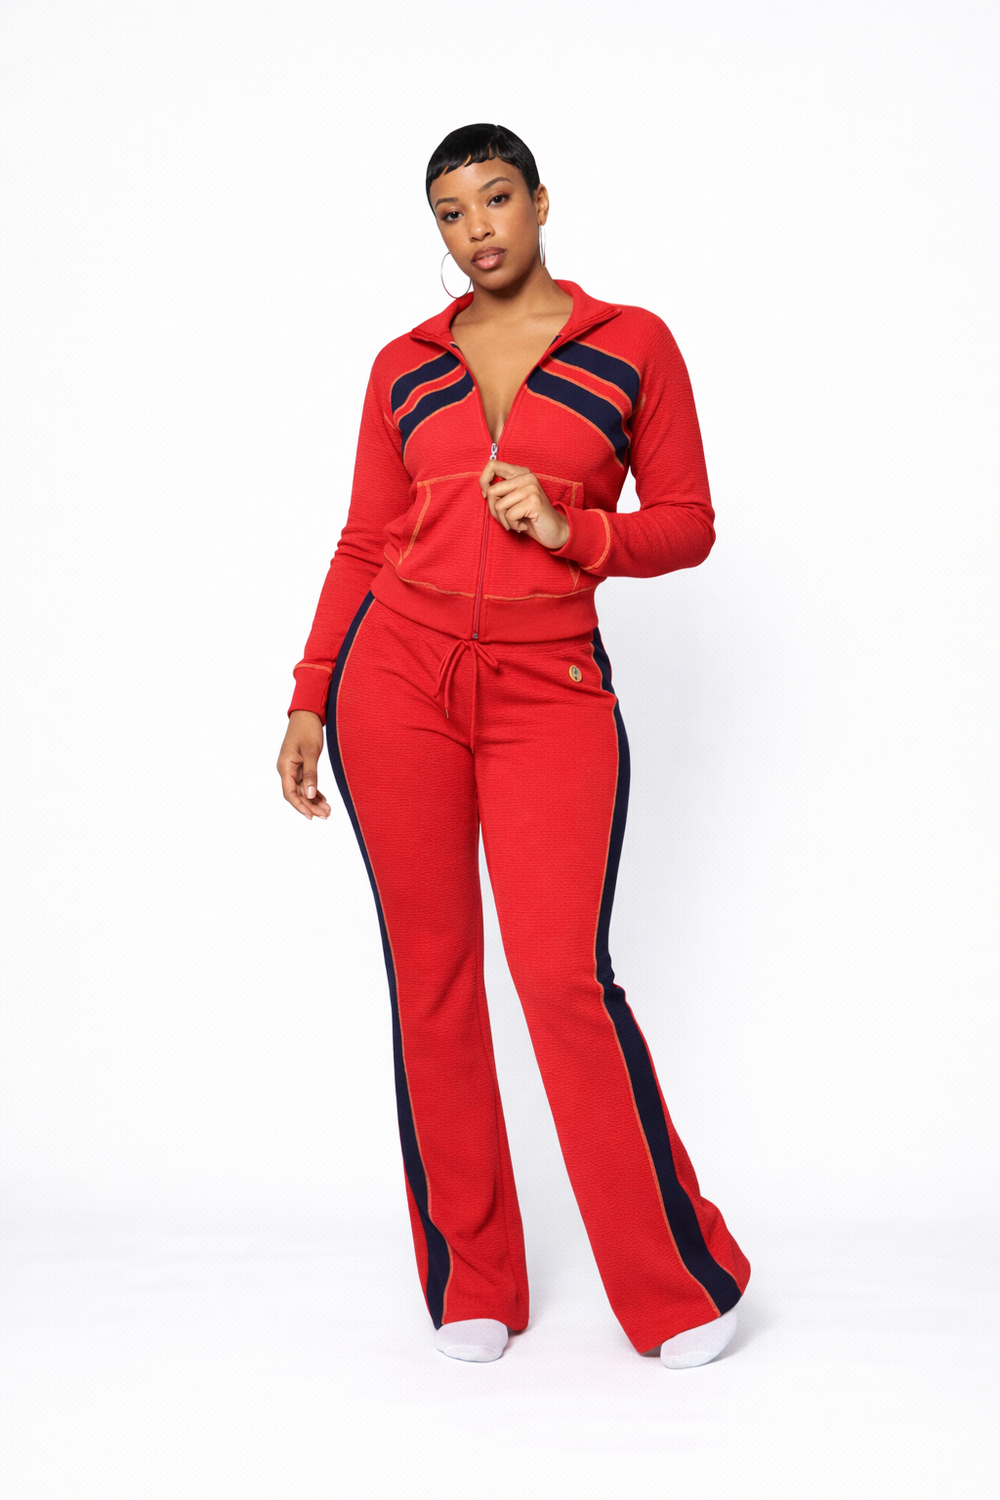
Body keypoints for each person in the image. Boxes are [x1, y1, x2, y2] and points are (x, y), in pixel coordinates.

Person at [276, 123, 750, 1368]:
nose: (475, 228)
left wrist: (574, 526)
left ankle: (679, 1286)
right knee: (431, 982)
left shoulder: (631, 345)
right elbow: (364, 541)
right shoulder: (402, 367)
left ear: (541, 202)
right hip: (395, 685)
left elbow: (688, 523)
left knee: (560, 978)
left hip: (550, 690)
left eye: (495, 198)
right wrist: (312, 694)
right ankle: (473, 1278)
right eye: (450, 211)